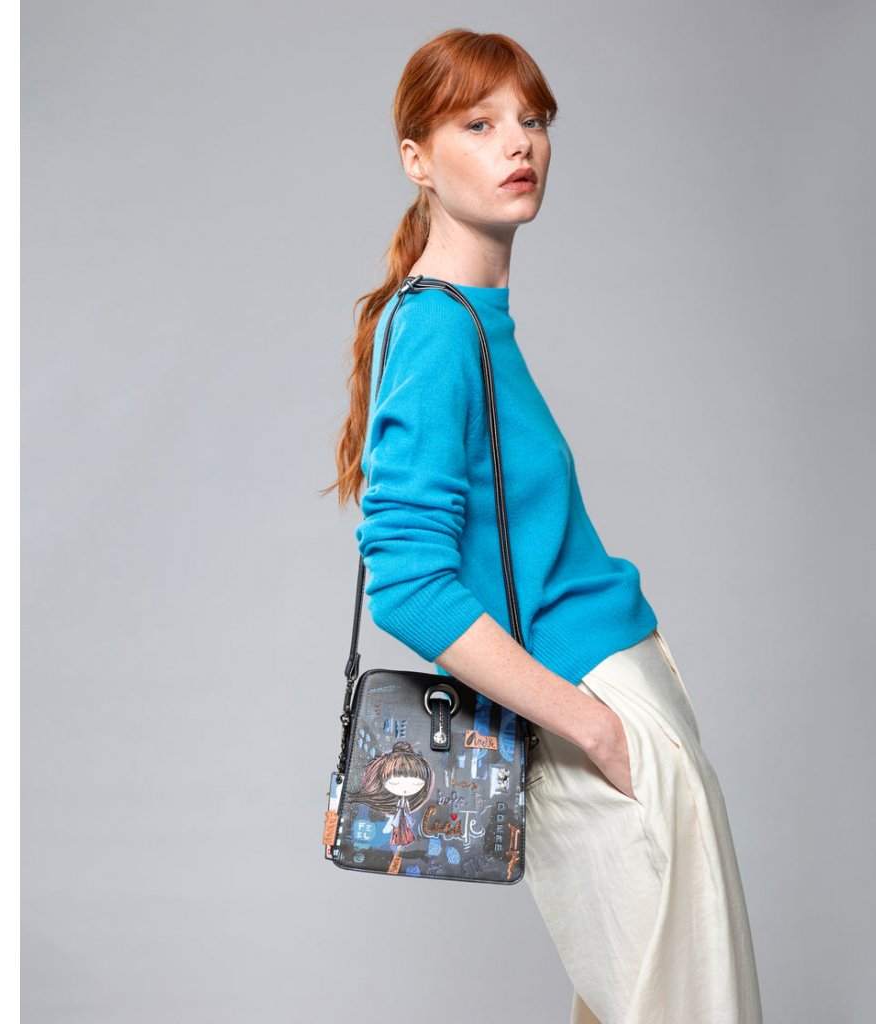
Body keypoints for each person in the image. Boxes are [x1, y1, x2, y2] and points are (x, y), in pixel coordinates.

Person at [323, 27, 764, 1024]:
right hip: (589, 711)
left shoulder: (471, 321)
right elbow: (408, 582)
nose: (518, 142)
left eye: (533, 120)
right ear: (417, 159)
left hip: (615, 697)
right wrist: (594, 726)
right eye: (478, 125)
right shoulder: (439, 327)